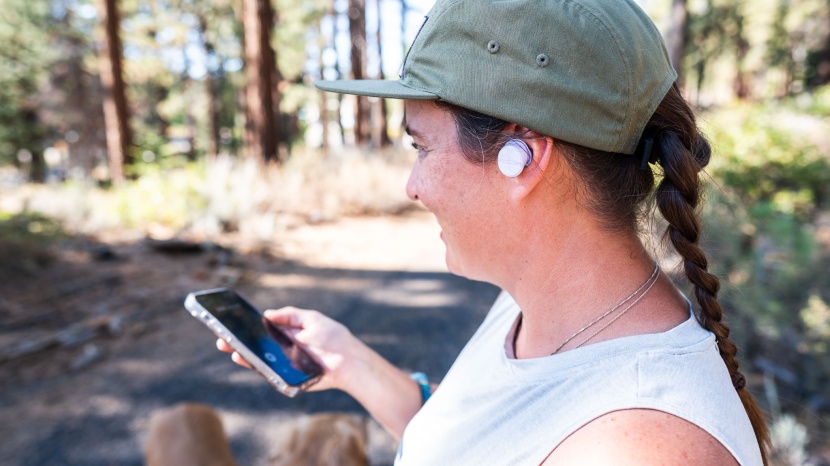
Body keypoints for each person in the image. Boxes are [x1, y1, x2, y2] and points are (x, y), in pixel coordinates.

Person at [218, 0, 770, 464]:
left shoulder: (638, 445)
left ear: (521, 155)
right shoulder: (539, 303)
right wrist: (350, 363)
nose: (412, 186)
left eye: (421, 146)